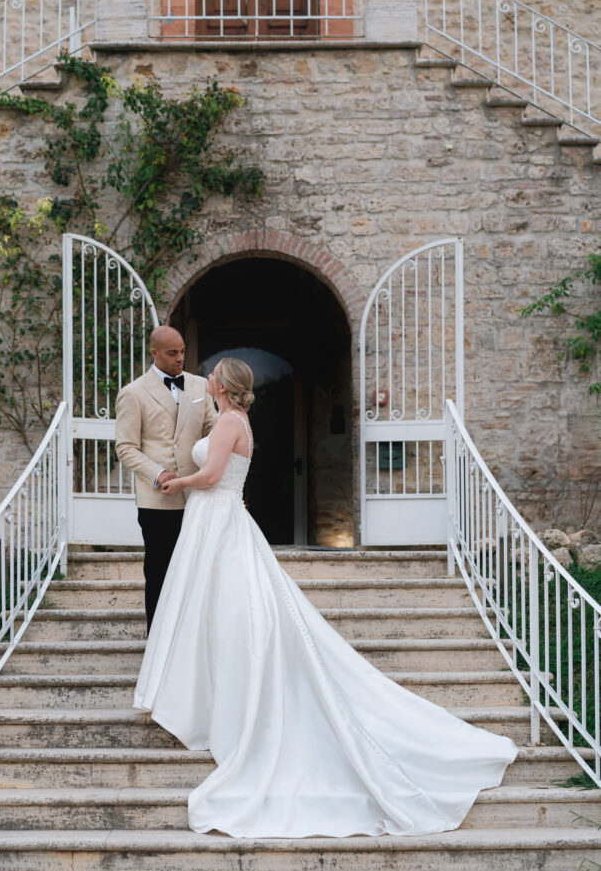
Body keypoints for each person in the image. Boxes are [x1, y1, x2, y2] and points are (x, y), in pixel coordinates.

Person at [133, 357, 518, 838]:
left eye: (214, 375)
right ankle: (205, 699)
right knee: (212, 613)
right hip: (213, 522)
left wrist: (176, 480)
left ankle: (229, 705)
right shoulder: (228, 417)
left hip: (218, 519)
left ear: (224, 386)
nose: (206, 376)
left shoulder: (231, 420)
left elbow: (211, 476)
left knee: (233, 612)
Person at [114, 325, 217, 631]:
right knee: (159, 571)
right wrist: (157, 474)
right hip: (156, 500)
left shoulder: (199, 387)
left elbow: (213, 431)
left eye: (183, 351)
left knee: (196, 572)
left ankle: (189, 637)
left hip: (198, 496)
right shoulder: (132, 393)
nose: (180, 358)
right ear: (154, 353)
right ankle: (156, 642)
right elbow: (125, 448)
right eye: (173, 353)